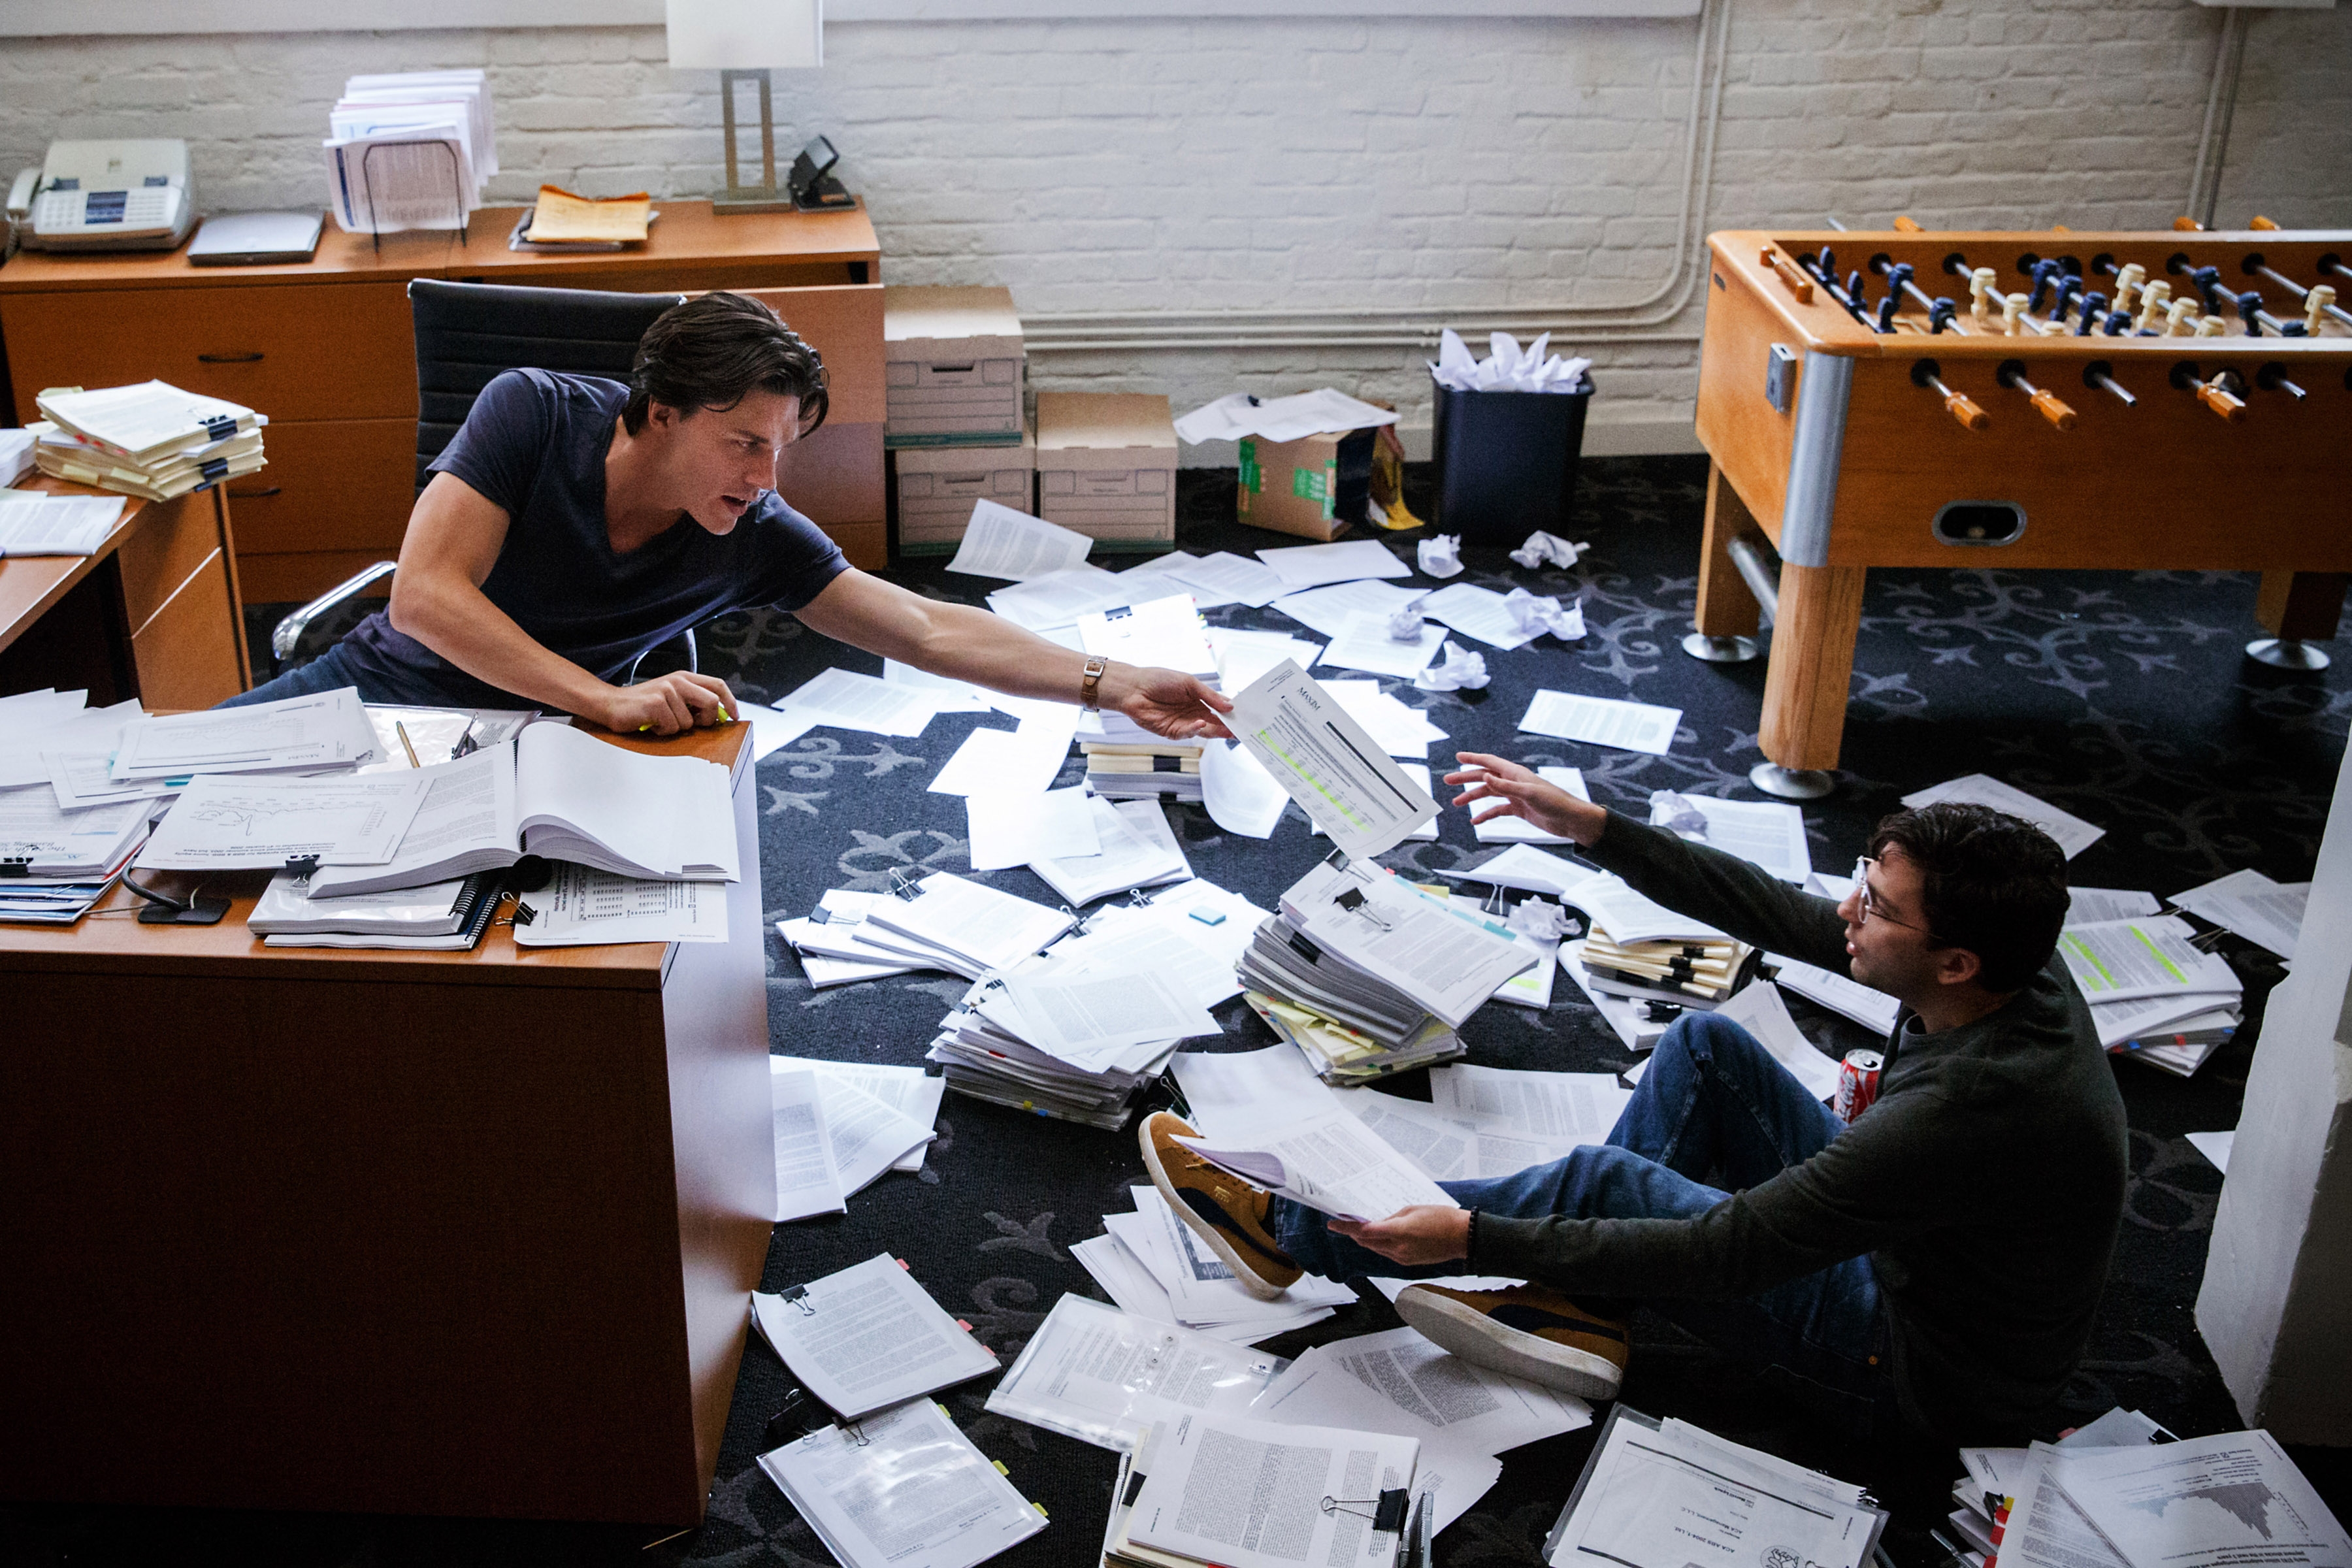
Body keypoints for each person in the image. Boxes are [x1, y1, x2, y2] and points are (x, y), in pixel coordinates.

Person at [1141, 754, 2129, 1445]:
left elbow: (1730, 1252)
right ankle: (1583, 1308)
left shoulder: (1971, 1105)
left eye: (1874, 906)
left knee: (1605, 1182)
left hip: (1913, 1369)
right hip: (1928, 1259)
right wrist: (1597, 830)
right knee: (1704, 1044)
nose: (1845, 911)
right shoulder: (2009, 964)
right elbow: (1779, 911)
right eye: (1864, 881)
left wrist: (1473, 1239)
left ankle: (1291, 1228)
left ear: (1953, 961)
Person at [225, 291, 1228, 743]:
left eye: (782, 448)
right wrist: (604, 696)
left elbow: (925, 627)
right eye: (745, 442)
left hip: (547, 752)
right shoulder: (529, 409)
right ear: (659, 413)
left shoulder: (747, 529)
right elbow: (426, 599)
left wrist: (1117, 682)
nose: (766, 476)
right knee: (151, 811)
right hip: (378, 698)